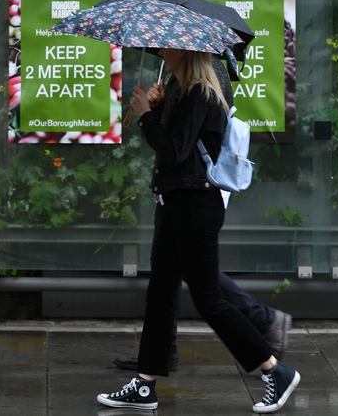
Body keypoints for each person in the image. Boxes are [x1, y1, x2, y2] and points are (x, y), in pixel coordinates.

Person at [96, 49, 300, 413]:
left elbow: (175, 151)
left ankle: (274, 370)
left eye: (165, 48)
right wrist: (158, 109)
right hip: (175, 201)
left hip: (195, 204)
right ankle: (145, 385)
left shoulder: (201, 93)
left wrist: (146, 117)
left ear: (184, 53)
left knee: (209, 298)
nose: (159, 51)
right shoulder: (182, 88)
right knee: (161, 292)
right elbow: (181, 144)